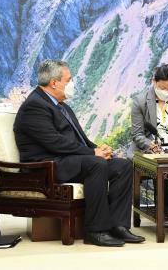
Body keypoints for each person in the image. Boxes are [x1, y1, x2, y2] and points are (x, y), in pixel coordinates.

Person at [14, 59, 145, 247]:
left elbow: (79, 139)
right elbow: (54, 143)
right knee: (96, 164)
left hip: (68, 160)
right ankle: (95, 231)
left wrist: (99, 149)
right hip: (47, 165)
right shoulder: (34, 106)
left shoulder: (62, 106)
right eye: (69, 80)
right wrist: (93, 153)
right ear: (54, 82)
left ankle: (118, 226)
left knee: (122, 165)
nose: (72, 84)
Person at [128, 64, 168, 206]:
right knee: (161, 167)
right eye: (163, 88)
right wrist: (151, 145)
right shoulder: (140, 101)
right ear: (154, 81)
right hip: (148, 150)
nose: (167, 92)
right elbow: (137, 134)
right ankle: (163, 213)